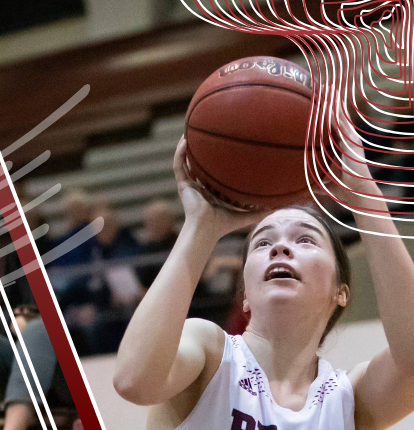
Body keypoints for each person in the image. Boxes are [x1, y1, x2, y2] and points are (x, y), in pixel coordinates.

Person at [113, 127, 414, 429]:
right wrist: (200, 226)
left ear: (341, 292)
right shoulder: (210, 354)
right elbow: (133, 380)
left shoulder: (348, 399)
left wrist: (365, 196)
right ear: (244, 295)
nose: (280, 247)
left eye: (306, 240)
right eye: (263, 243)